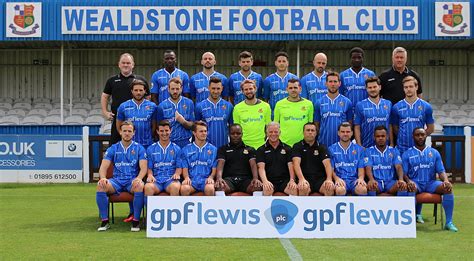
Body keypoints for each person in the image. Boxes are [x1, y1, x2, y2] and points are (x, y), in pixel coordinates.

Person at [403, 128, 458, 232]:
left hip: (431, 183)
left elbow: (441, 171)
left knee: (447, 188)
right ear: (413, 137)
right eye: (417, 135)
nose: (420, 137)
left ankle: (449, 222)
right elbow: (404, 173)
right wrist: (409, 181)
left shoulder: (434, 152)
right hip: (416, 182)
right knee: (410, 188)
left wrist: (446, 181)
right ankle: (410, 223)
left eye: (422, 135)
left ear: (426, 136)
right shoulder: (407, 154)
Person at [95, 121, 147, 232]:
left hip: (131, 181)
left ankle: (136, 221)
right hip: (116, 182)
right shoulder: (113, 148)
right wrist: (103, 178)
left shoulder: (139, 148)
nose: (127, 133)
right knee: (100, 185)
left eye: (129, 131)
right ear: (120, 132)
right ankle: (105, 221)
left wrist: (139, 178)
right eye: (124, 131)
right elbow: (103, 167)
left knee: (140, 186)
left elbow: (143, 168)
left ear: (134, 133)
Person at [101, 53, 149, 145]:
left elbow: (148, 97)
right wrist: (105, 112)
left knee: (137, 147)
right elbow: (104, 96)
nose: (125, 65)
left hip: (136, 120)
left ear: (133, 65)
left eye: (128, 63)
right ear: (119, 64)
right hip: (118, 120)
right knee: (115, 146)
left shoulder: (140, 80)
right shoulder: (112, 80)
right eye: (123, 63)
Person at [390, 76, 434, 154]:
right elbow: (395, 129)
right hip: (402, 149)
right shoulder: (396, 107)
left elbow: (430, 129)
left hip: (418, 149)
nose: (408, 89)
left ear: (416, 87)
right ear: (403, 89)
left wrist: (420, 138)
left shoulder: (426, 106)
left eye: (411, 86)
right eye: (406, 87)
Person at [215, 124, 262, 195]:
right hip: (229, 180)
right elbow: (220, 164)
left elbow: (253, 165)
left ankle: (255, 206)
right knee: (220, 187)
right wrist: (219, 178)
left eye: (238, 133)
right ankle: (223, 206)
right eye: (233, 133)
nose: (235, 135)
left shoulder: (250, 149)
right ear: (229, 134)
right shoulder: (223, 149)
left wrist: (255, 178)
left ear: (242, 134)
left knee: (257, 187)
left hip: (246, 180)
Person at [292, 123, 335, 196]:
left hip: (320, 179)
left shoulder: (321, 147)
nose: (310, 132)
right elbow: (296, 164)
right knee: (303, 187)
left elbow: (327, 165)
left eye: (312, 130)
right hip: (305, 178)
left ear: (316, 133)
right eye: (308, 130)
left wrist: (329, 179)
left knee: (329, 188)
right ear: (303, 132)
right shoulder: (297, 146)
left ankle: (327, 207)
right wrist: (301, 179)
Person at [364, 126, 407, 196]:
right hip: (377, 183)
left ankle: (401, 207)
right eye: (378, 136)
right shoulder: (368, 151)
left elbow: (398, 166)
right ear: (374, 137)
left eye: (383, 136)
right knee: (371, 186)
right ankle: (372, 207)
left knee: (402, 186)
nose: (380, 138)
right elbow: (368, 167)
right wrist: (371, 179)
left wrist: (401, 179)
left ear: (387, 137)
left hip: (391, 183)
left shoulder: (394, 150)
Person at [256, 122, 297, 196]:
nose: (273, 134)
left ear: (280, 132)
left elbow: (291, 166)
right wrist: (265, 181)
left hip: (285, 181)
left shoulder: (287, 148)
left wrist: (292, 180)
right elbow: (261, 168)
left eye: (276, 132)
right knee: (267, 190)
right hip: (269, 181)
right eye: (270, 132)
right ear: (266, 133)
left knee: (293, 190)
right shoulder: (261, 150)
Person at [145, 120, 181, 201]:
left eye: (166, 130)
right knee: (148, 187)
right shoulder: (151, 149)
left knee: (175, 187)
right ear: (157, 131)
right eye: (161, 131)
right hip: (156, 180)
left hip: (170, 180)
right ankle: (149, 213)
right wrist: (150, 175)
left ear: (170, 131)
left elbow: (179, 167)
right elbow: (149, 168)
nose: (164, 133)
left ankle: (174, 212)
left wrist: (177, 174)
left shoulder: (177, 148)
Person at [314, 71, 353, 147]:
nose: (333, 84)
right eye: (330, 81)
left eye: (335, 81)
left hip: (342, 145)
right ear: (326, 83)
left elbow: (350, 124)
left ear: (339, 83)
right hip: (324, 143)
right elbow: (316, 124)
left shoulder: (347, 102)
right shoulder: (319, 102)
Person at [328, 122, 367, 196]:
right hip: (340, 180)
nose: (345, 134)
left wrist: (361, 178)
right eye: (343, 132)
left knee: (362, 189)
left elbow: (361, 168)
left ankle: (361, 208)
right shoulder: (331, 149)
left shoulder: (359, 149)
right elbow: (331, 169)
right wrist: (336, 179)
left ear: (352, 133)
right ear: (338, 133)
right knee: (340, 190)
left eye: (348, 132)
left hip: (354, 180)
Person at [179, 121, 217, 196]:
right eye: (201, 131)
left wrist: (211, 177)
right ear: (194, 133)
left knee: (210, 188)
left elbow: (214, 167)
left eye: (205, 131)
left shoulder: (213, 149)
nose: (204, 133)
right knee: (184, 188)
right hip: (192, 181)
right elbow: (185, 167)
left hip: (206, 180)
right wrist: (186, 178)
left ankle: (210, 207)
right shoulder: (186, 149)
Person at [116, 79, 156, 149]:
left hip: (147, 145)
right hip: (130, 145)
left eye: (141, 90)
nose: (138, 93)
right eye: (136, 90)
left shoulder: (152, 106)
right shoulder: (123, 106)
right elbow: (119, 127)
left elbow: (154, 126)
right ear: (132, 91)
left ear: (145, 91)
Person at [195, 77, 233, 149]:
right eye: (213, 88)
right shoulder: (199, 106)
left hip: (224, 147)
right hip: (206, 148)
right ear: (208, 88)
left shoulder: (229, 106)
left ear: (222, 88)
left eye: (218, 88)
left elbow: (231, 127)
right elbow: (196, 128)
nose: (215, 91)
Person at [233, 79, 272, 150]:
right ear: (242, 91)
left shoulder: (266, 106)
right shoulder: (237, 108)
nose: (248, 91)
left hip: (261, 145)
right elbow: (237, 129)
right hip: (244, 145)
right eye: (246, 89)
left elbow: (268, 127)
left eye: (251, 89)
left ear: (255, 89)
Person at [156, 77, 195, 148]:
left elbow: (193, 126)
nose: (175, 91)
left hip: (186, 142)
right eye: (172, 89)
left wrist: (183, 121)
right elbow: (159, 129)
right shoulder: (162, 106)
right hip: (169, 143)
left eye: (177, 89)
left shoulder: (189, 103)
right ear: (168, 89)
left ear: (181, 88)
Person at [273, 78, 313, 146]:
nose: (293, 90)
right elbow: (276, 125)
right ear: (287, 89)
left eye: (295, 87)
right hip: (284, 144)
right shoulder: (279, 104)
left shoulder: (309, 104)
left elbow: (310, 125)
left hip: (303, 144)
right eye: (290, 88)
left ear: (300, 89)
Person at [354, 76, 392, 148]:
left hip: (385, 147)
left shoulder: (388, 104)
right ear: (366, 89)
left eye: (374, 87)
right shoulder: (360, 105)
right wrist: (359, 145)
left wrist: (392, 143)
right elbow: (357, 127)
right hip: (367, 146)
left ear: (380, 87)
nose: (372, 89)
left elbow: (390, 125)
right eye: (370, 88)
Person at [339, 47, 376, 114]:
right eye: (354, 58)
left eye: (359, 57)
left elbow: (375, 93)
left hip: (367, 111)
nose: (356, 60)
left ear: (363, 59)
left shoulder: (370, 74)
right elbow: (340, 95)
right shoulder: (343, 75)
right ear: (350, 59)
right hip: (349, 111)